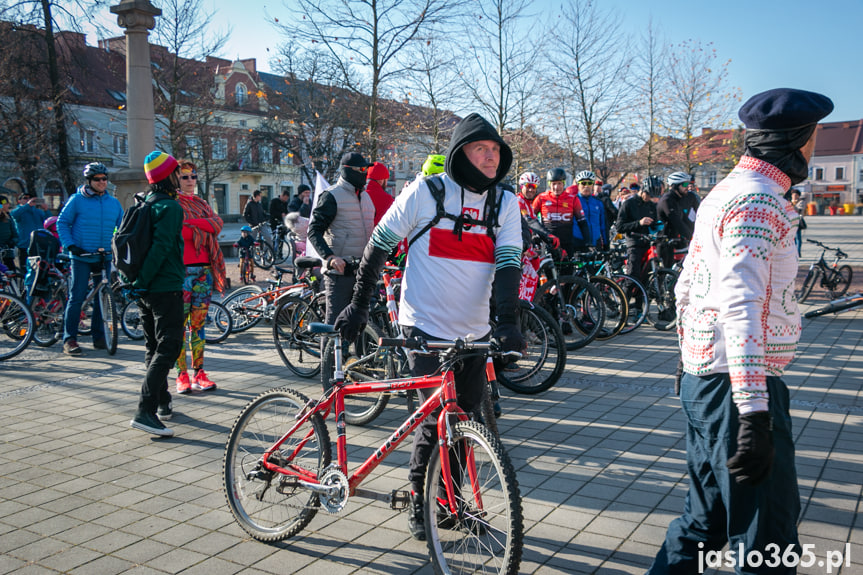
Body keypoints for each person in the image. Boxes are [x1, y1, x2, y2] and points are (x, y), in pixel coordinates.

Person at [647, 88, 834, 574]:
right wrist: (754, 416)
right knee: (767, 542)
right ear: (796, 138)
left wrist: (688, 363)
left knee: (703, 525)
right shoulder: (758, 201)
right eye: (814, 138)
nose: (814, 150)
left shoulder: (726, 191)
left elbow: (686, 288)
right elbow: (740, 305)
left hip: (708, 381)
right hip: (737, 390)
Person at [333, 113, 524, 541]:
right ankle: (423, 502)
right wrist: (360, 307)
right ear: (462, 153)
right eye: (482, 149)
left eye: (496, 150)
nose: (492, 157)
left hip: (473, 332)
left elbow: (510, 264)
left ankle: (448, 503)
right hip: (423, 325)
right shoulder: (426, 192)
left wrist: (508, 322)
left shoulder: (505, 203)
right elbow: (378, 246)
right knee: (435, 420)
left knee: (463, 421)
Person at [129, 151, 186, 438]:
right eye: (178, 172)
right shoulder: (171, 208)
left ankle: (162, 402)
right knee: (170, 346)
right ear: (169, 176)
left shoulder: (145, 202)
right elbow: (161, 248)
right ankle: (145, 410)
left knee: (153, 347)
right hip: (164, 286)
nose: (181, 177)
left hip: (146, 289)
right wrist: (144, 279)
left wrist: (138, 283)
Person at [306, 151, 375, 387]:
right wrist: (330, 257)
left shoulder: (366, 198)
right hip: (340, 273)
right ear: (347, 171)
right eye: (361, 170)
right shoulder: (332, 196)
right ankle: (329, 385)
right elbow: (314, 231)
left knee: (362, 322)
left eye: (367, 170)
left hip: (363, 271)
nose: (365, 174)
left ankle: (356, 371)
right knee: (335, 326)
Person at [56, 163, 124, 356]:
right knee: (77, 296)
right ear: (89, 181)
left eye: (104, 178)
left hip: (104, 255)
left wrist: (120, 244)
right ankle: (69, 339)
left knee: (102, 296)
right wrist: (70, 245)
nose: (102, 182)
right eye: (97, 179)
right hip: (81, 255)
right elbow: (62, 222)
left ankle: (99, 336)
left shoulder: (113, 203)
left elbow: (122, 227)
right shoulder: (77, 200)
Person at [174, 160, 227, 395]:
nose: (190, 181)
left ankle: (200, 373)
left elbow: (217, 224)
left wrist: (195, 223)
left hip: (204, 271)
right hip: (182, 272)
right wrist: (203, 225)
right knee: (178, 326)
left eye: (193, 176)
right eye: (185, 177)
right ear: (176, 178)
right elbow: (181, 231)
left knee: (198, 326)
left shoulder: (202, 204)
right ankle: (181, 374)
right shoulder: (173, 204)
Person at [532, 167, 590, 260]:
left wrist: (588, 242)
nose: (556, 187)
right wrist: (534, 235)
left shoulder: (573, 199)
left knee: (567, 272)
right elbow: (530, 219)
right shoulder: (541, 198)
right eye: (553, 184)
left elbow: (582, 222)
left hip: (567, 243)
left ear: (563, 183)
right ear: (549, 184)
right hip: (548, 243)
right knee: (549, 273)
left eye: (559, 183)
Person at [615, 176, 660, 282]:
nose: (649, 198)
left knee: (645, 278)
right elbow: (620, 227)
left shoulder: (651, 205)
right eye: (648, 195)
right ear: (642, 190)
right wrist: (639, 223)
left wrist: (658, 225)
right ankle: (625, 296)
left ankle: (641, 297)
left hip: (647, 243)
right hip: (634, 244)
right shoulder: (629, 204)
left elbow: (654, 223)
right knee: (633, 278)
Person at [656, 171, 700, 267]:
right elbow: (677, 222)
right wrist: (692, 237)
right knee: (663, 274)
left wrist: (697, 233)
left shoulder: (677, 199)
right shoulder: (667, 200)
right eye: (684, 184)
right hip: (663, 242)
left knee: (674, 273)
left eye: (688, 184)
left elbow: (685, 220)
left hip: (673, 241)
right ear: (675, 186)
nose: (688, 187)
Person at [11, 193, 48, 270]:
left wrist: (46, 210)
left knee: (39, 268)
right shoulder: (18, 211)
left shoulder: (38, 212)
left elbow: (48, 222)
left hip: (38, 244)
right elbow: (13, 215)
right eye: (25, 198)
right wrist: (27, 206)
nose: (28, 200)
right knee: (24, 268)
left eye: (30, 198)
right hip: (24, 245)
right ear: (19, 201)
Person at [571, 170, 607, 251]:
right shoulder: (572, 201)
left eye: (589, 183)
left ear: (593, 185)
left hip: (596, 243)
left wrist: (606, 244)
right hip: (578, 243)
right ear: (578, 185)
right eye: (583, 183)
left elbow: (603, 225)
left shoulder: (598, 202)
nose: (586, 186)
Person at [365, 161, 394, 226]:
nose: (386, 184)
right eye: (386, 180)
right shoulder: (387, 201)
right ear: (381, 180)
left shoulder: (357, 194)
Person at [0, 195, 19, 270]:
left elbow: (15, 235)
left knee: (11, 273)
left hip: (7, 253)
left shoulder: (8, 218)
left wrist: (11, 242)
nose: (8, 205)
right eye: (5, 203)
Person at [790, 189, 806, 256]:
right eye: (793, 195)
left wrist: (791, 205)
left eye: (796, 195)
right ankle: (793, 252)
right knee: (791, 238)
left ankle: (798, 252)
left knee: (798, 238)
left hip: (797, 222)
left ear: (798, 196)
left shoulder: (801, 202)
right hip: (790, 222)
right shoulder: (789, 202)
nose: (794, 196)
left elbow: (798, 210)